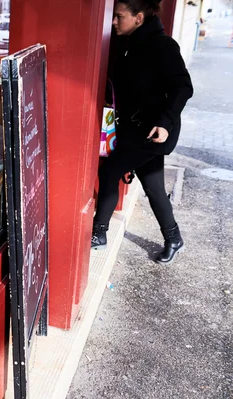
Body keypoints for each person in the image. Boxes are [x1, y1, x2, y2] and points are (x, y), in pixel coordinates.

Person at [91, 0, 193, 265]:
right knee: (153, 185)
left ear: (138, 17)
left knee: (111, 170)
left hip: (153, 132)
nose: (113, 22)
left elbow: (183, 87)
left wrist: (165, 122)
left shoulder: (163, 46)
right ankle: (173, 238)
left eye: (119, 16)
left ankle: (98, 232)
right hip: (131, 128)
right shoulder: (124, 43)